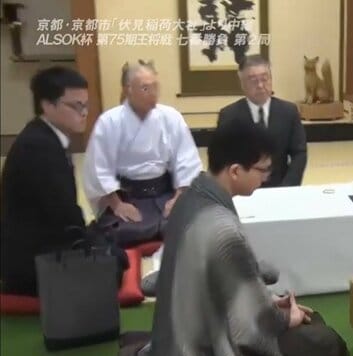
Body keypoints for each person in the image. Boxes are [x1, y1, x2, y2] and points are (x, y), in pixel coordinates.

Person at [139, 118, 311, 356]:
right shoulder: (221, 226)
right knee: (320, 344)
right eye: (262, 170)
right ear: (235, 171)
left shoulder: (190, 197)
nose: (266, 178)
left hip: (173, 338)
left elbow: (216, 279)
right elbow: (251, 324)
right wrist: (286, 317)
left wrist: (266, 297)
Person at [81, 60, 202, 248]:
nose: (153, 93)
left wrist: (178, 198)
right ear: (128, 89)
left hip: (165, 192)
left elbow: (187, 160)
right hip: (129, 196)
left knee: (194, 224)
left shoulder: (171, 117)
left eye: (155, 87)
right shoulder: (109, 122)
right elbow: (99, 168)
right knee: (115, 231)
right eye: (146, 88)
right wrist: (117, 205)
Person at [1, 67, 89, 295]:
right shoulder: (38, 148)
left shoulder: (44, 136)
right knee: (114, 260)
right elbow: (64, 215)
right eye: (76, 106)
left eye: (85, 105)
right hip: (34, 263)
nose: (84, 113)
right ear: (47, 105)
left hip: (41, 246)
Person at [217, 55, 307, 188]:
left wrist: (288, 187)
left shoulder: (289, 111)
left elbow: (299, 153)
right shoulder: (229, 116)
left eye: (264, 79)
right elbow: (222, 158)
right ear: (242, 83)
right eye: (253, 81)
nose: (260, 85)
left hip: (281, 186)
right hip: (241, 189)